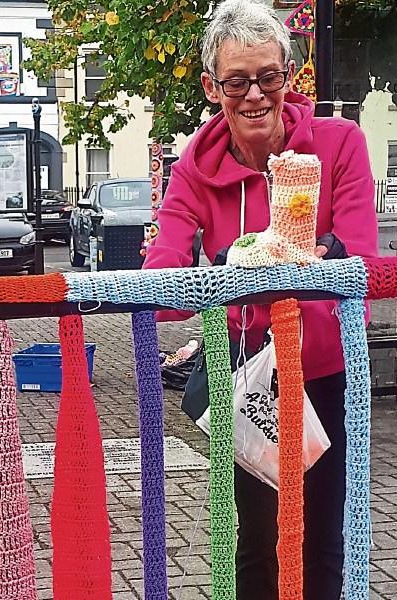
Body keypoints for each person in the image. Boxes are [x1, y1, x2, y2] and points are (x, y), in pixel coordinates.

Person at [143, 1, 378, 598]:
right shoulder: (195, 168)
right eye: (236, 81)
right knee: (252, 547)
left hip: (325, 375)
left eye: (268, 77)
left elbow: (363, 267)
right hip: (244, 380)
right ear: (211, 86)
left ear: (289, 76)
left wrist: (311, 260)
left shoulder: (339, 142)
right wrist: (228, 272)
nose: (254, 95)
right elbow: (159, 293)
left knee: (324, 541)